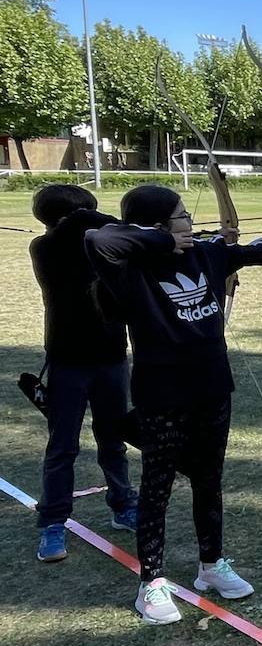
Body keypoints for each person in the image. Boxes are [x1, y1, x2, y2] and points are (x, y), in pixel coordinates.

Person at [86, 184, 262, 626]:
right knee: (158, 486)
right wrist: (164, 241)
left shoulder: (207, 255)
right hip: (162, 392)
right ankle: (151, 583)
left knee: (210, 480)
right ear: (157, 226)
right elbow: (99, 238)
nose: (189, 220)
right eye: (181, 215)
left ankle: (212, 565)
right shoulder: (128, 267)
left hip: (212, 387)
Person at [28, 184, 140, 563]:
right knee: (63, 446)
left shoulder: (101, 245)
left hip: (110, 356)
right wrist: (85, 216)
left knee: (114, 439)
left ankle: (123, 504)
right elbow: (93, 227)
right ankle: (53, 522)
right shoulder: (45, 248)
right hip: (67, 361)